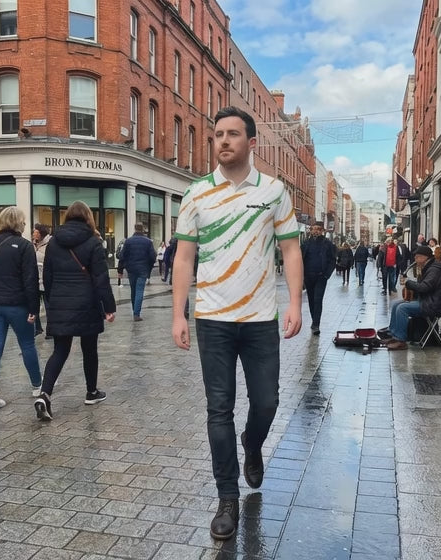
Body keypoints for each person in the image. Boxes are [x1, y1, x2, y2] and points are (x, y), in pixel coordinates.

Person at [171, 106, 303, 541]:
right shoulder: (195, 194)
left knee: (267, 402)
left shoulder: (274, 191)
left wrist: (295, 303)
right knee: (219, 409)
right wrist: (177, 314)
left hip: (261, 319)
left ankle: (253, 443)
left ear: (251, 142)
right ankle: (227, 497)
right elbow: (184, 258)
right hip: (213, 319)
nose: (223, 140)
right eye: (218, 134)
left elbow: (290, 250)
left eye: (232, 134)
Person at [34, 201, 116, 421]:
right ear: (88, 217)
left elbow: (47, 276)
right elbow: (101, 278)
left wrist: (53, 299)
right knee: (89, 349)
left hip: (60, 301)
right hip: (87, 302)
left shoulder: (53, 242)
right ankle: (91, 392)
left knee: (60, 350)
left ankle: (44, 394)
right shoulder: (93, 242)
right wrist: (109, 307)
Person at [0, 207, 43, 412]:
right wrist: (34, 308)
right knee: (27, 344)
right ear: (19, 223)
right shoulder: (24, 246)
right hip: (17, 303)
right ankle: (37, 385)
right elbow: (30, 279)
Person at [383, 245, 441, 350]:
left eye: (417, 257)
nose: (415, 260)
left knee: (402, 308)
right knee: (395, 304)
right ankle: (393, 335)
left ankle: (401, 340)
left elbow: (424, 287)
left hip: (433, 304)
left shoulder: (434, 270)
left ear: (424, 257)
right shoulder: (427, 267)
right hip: (426, 300)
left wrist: (408, 283)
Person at [301, 221, 337, 334]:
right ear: (311, 230)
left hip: (321, 276)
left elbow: (333, 260)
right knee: (311, 300)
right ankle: (314, 321)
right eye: (314, 229)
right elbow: (300, 259)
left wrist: (326, 275)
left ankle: (316, 324)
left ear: (322, 231)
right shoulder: (305, 243)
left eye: (318, 229)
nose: (315, 231)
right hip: (308, 276)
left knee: (318, 299)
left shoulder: (327, 244)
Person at [117, 223, 156, 321]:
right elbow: (153, 257)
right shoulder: (148, 242)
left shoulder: (128, 241)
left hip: (131, 269)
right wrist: (149, 268)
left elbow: (122, 256)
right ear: (143, 229)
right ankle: (136, 313)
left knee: (133, 290)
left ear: (135, 229)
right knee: (139, 290)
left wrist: (120, 270)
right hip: (143, 269)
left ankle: (135, 310)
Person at [32, 224, 52, 336]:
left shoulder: (50, 245)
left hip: (46, 280)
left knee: (48, 306)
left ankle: (50, 330)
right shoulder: (33, 244)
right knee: (34, 305)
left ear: (41, 233)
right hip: (35, 280)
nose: (33, 234)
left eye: (35, 232)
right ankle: (37, 328)